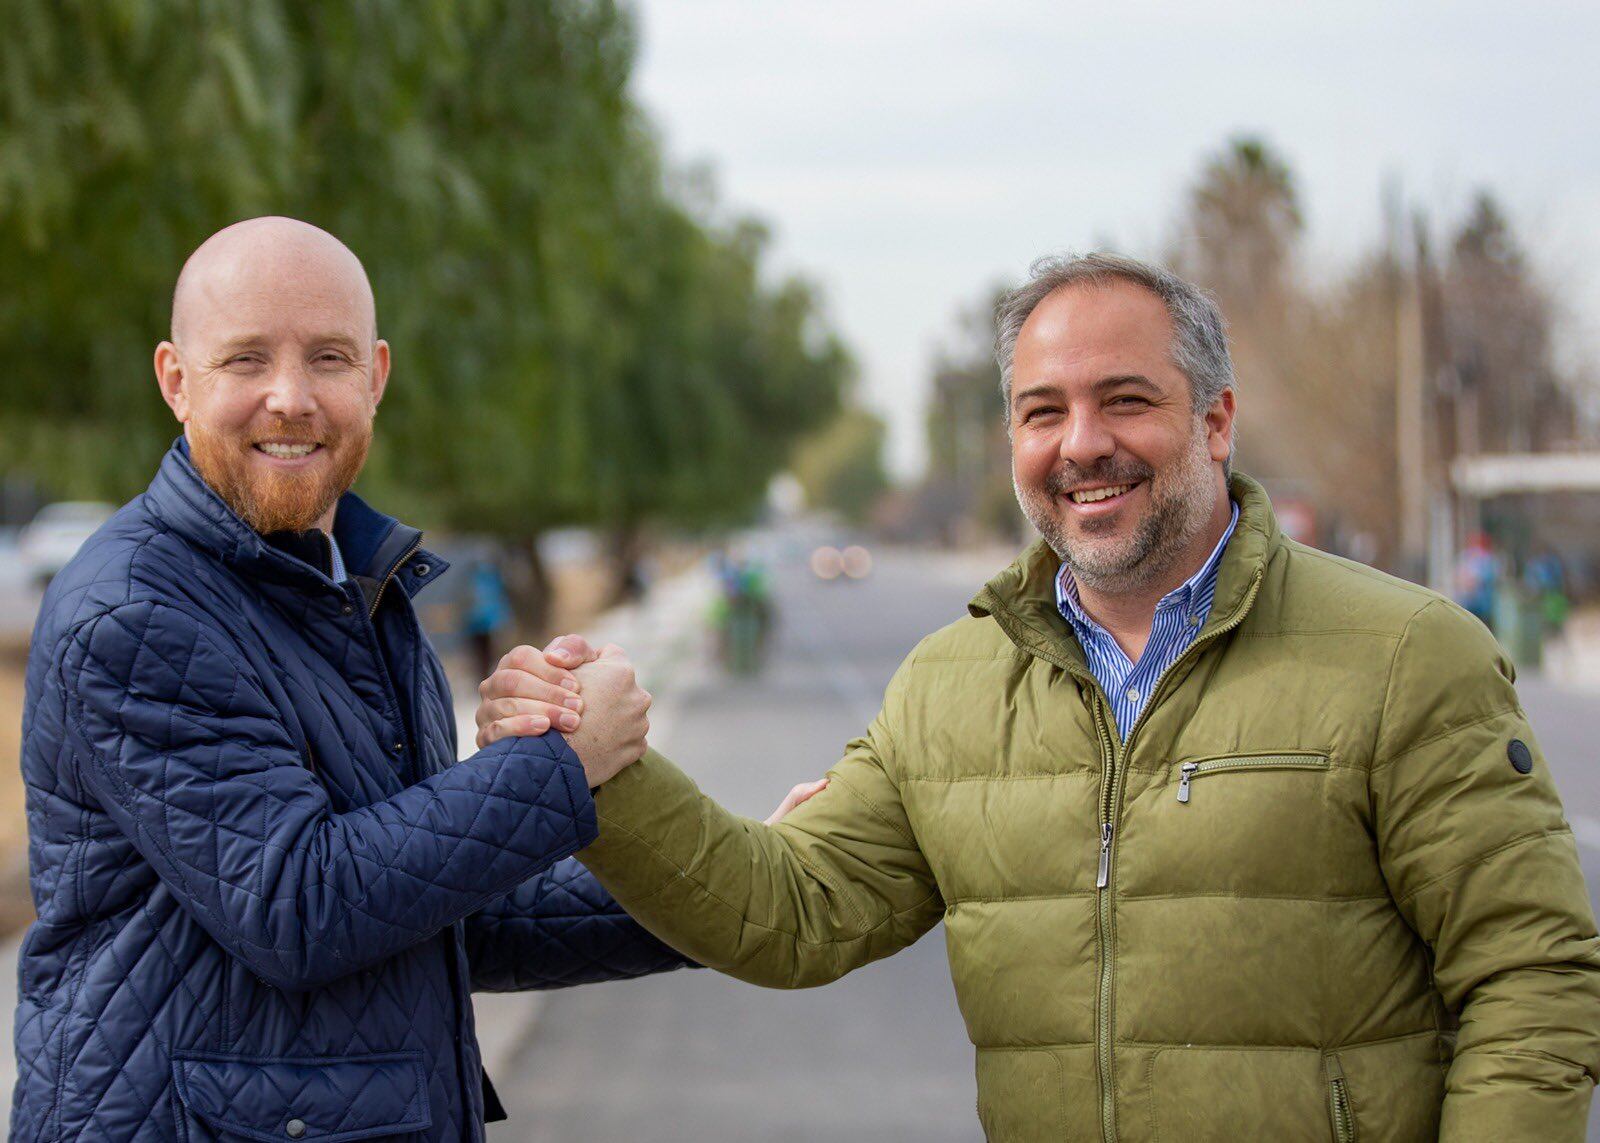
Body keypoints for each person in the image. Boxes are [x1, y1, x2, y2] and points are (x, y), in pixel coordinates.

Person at [488, 253, 1600, 1140]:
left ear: (1214, 423)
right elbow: (786, 913)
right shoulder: (949, 684)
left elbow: (1531, 980)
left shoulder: (1407, 654)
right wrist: (604, 771)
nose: (1082, 445)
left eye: (1125, 401)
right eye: (1041, 411)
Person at [13, 217, 691, 1142]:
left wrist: (727, 886)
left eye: (327, 358)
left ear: (375, 376)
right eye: (245, 359)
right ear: (176, 380)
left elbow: (444, 910)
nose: (289, 398)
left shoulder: (356, 581)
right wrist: (562, 767)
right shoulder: (133, 613)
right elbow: (299, 903)